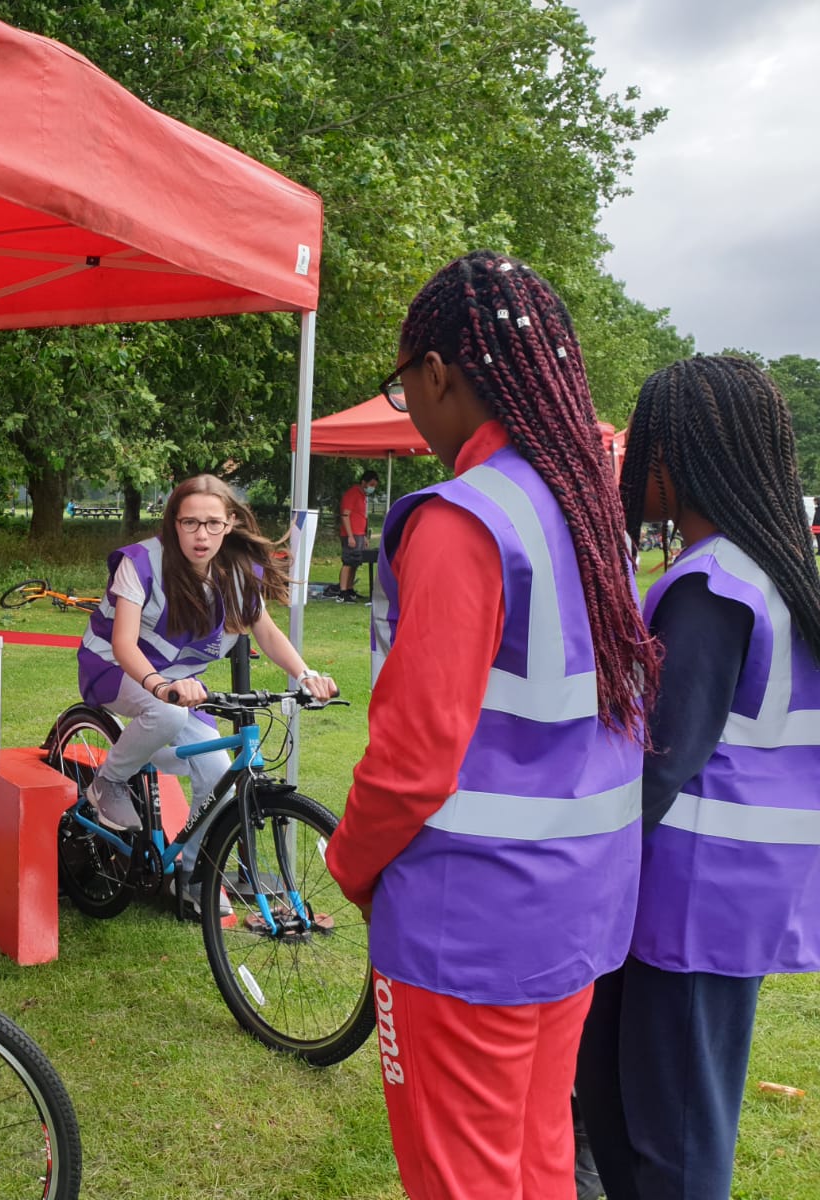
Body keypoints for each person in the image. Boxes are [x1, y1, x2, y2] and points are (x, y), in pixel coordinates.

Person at [325, 250, 661, 1199]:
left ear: (436, 374)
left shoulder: (464, 518)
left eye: (404, 388)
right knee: (539, 1157)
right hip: (578, 910)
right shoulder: (585, 508)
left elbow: (412, 759)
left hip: (464, 927)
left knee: (461, 1177)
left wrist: (348, 862)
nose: (410, 411)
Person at [575, 356, 820, 1200]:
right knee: (629, 1110)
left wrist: (572, 863)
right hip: (730, 890)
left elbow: (660, 762)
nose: (629, 465)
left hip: (689, 900)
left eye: (641, 446)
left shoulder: (713, 585)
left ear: (679, 459)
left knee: (672, 1145)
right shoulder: (768, 568)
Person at [75, 475, 338, 876]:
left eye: (213, 523)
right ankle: (108, 782)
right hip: (113, 668)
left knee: (218, 777)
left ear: (230, 523)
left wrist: (306, 674)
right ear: (173, 523)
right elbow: (124, 644)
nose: (202, 534)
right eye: (190, 523)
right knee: (167, 714)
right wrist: (160, 686)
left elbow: (264, 630)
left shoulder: (236, 571)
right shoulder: (140, 562)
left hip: (182, 688)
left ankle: (195, 875)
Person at [337, 469, 381, 600]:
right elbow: (345, 515)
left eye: (374, 486)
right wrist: (350, 535)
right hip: (351, 534)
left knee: (355, 561)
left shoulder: (363, 497)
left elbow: (362, 517)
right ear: (364, 482)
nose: (372, 488)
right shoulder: (352, 494)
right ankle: (342, 591)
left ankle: (350, 589)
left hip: (359, 534)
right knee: (348, 561)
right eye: (371, 484)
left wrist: (364, 536)